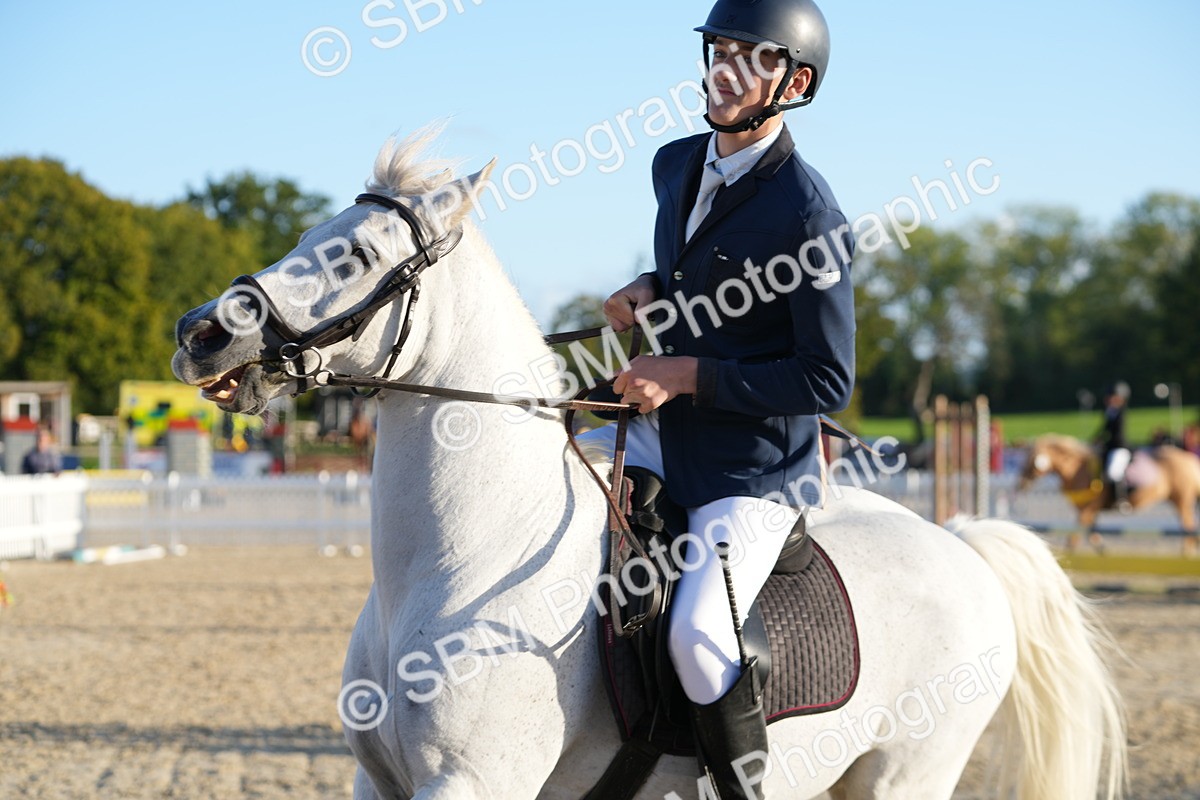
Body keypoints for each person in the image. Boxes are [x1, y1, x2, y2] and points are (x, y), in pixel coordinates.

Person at [586, 1, 855, 795]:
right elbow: (698, 278)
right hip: (668, 428)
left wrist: (686, 374)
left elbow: (826, 378)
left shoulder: (811, 214)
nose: (725, 70)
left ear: (794, 82)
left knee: (701, 637)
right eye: (718, 50)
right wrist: (649, 290)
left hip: (754, 469)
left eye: (752, 57)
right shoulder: (674, 162)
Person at [1095, 382, 1131, 511]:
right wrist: (1096, 440)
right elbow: (1103, 430)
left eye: (1111, 397)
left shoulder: (1121, 412)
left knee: (1113, 472)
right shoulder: (1109, 412)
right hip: (1109, 448)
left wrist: (1104, 441)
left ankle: (1121, 501)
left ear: (1119, 398)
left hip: (1119, 448)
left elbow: (1116, 433)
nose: (1108, 399)